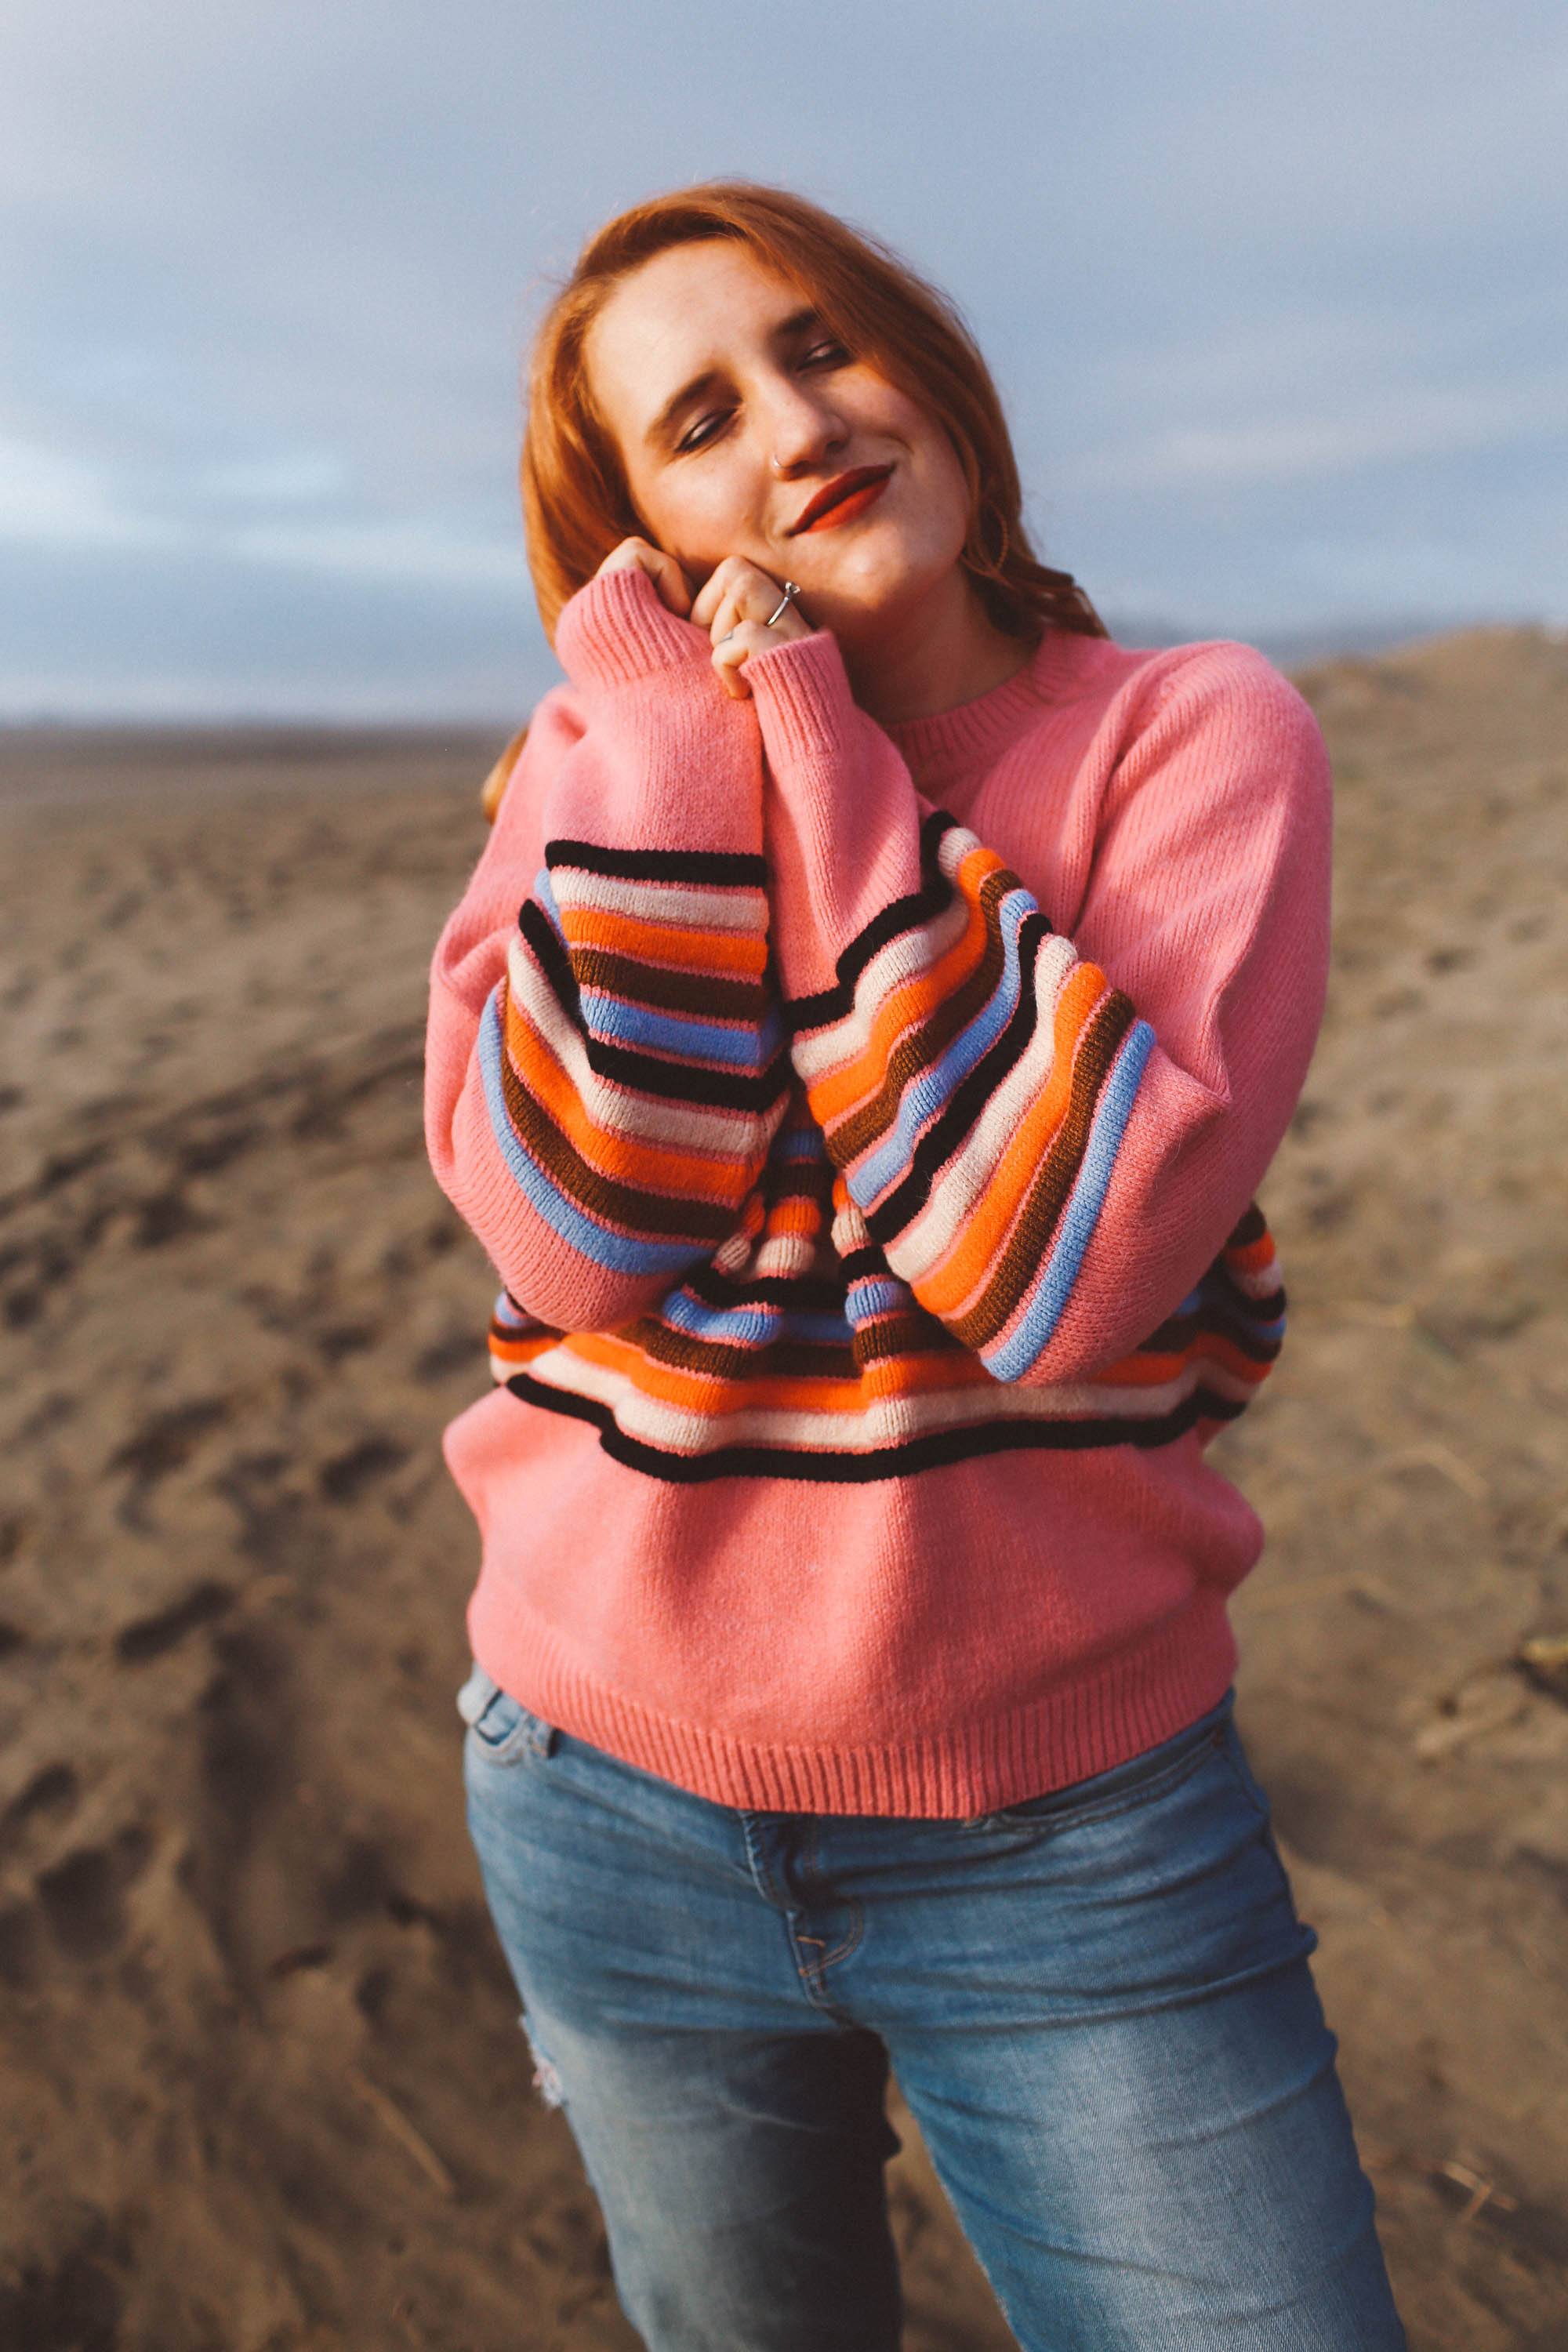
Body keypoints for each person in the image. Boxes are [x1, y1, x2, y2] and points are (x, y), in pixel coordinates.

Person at [424, 180, 1407, 2351]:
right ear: (639, 539)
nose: (796, 421)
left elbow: (1058, 1255)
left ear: (934, 374)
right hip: (596, 1794)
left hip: (1073, 1835)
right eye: (697, 418)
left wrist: (818, 743)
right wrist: (687, 739)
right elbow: (590, 1232)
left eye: (822, 343)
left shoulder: (1190, 738)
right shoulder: (588, 785)